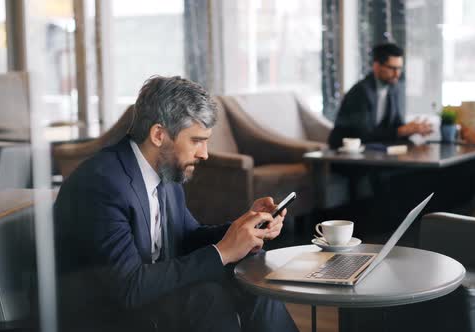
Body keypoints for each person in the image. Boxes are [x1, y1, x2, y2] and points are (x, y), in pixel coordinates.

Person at [53, 76, 298, 332]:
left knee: (252, 280)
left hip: (148, 295)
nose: (204, 153)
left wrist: (245, 229)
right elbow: (127, 287)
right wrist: (224, 251)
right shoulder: (102, 184)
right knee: (206, 298)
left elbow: (186, 238)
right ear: (159, 134)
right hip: (104, 313)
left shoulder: (165, 173)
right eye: (197, 140)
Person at [328, 43, 432, 149]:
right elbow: (363, 134)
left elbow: (396, 126)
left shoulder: (393, 89)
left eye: (399, 68)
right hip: (347, 153)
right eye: (392, 68)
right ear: (376, 66)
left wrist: (413, 129)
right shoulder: (360, 92)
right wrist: (401, 131)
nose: (397, 74)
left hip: (373, 150)